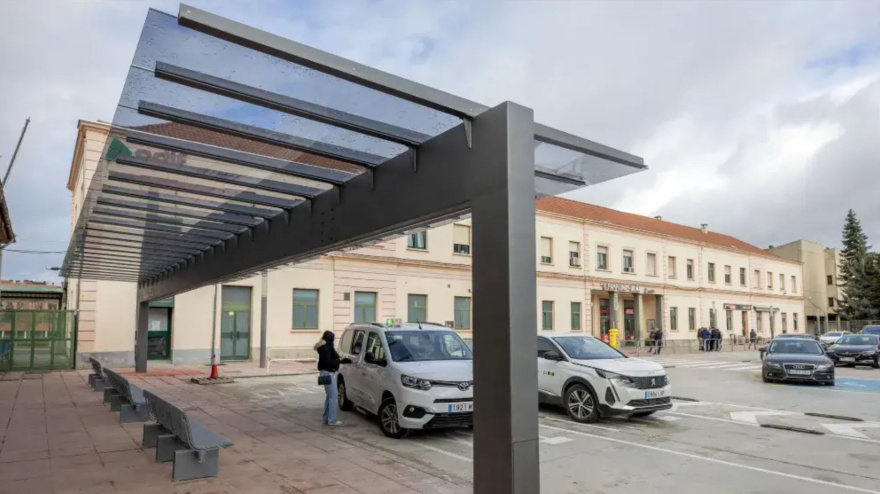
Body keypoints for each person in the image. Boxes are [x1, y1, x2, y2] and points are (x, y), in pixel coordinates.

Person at [315, 331, 344, 426]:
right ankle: (332, 420)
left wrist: (341, 359)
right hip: (328, 373)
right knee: (333, 397)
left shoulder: (323, 347)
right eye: (333, 339)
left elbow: (335, 356)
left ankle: (325, 418)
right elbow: (329, 362)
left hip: (323, 373)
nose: (333, 341)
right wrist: (339, 360)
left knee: (329, 397)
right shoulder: (326, 348)